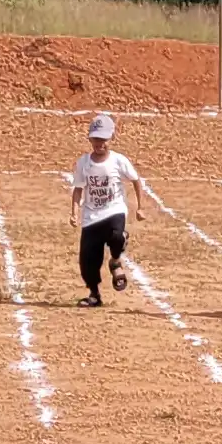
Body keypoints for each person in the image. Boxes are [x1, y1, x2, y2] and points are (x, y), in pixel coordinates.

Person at [66, 114, 143, 307]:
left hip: (114, 209)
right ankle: (94, 294)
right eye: (96, 139)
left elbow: (135, 180)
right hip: (91, 216)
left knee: (117, 236)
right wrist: (74, 212)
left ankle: (115, 261)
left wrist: (140, 207)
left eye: (104, 139)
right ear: (90, 139)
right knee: (88, 260)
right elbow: (78, 188)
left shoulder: (118, 161)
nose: (100, 143)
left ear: (111, 138)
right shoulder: (84, 163)